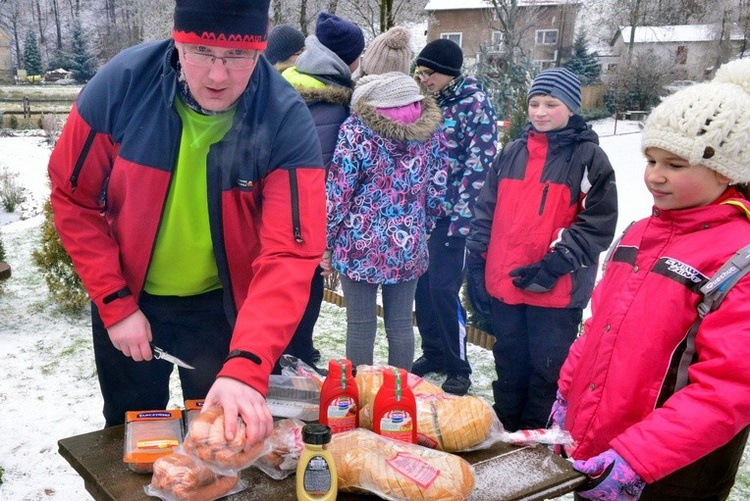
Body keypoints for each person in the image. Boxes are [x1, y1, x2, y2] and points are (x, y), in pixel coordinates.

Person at [47, 0, 326, 447]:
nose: (218, 76)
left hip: (224, 309)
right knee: (130, 439)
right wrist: (115, 303)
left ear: (261, 49)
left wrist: (248, 363)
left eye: (238, 56)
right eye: (200, 50)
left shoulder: (284, 117)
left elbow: (290, 251)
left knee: (224, 440)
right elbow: (72, 196)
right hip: (128, 299)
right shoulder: (121, 87)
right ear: (177, 39)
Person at [550, 58, 750, 501]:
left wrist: (638, 458)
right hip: (600, 453)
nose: (654, 175)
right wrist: (567, 394)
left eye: (675, 164)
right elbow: (598, 326)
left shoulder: (740, 256)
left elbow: (729, 386)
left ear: (728, 171)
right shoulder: (640, 233)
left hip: (675, 473)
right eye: (651, 159)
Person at [466, 67, 618, 430]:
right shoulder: (512, 152)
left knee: (547, 368)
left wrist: (555, 263)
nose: (539, 111)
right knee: (509, 361)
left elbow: (599, 221)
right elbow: (486, 208)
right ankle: (506, 430)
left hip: (555, 289)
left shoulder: (588, 158)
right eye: (534, 103)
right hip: (507, 284)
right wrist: (476, 261)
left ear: (570, 107)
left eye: (551, 103)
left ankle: (535, 436)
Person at [322, 71, 448, 371]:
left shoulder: (357, 129)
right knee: (402, 324)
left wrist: (327, 241)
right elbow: (437, 188)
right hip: (409, 244)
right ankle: (400, 397)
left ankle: (361, 395)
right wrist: (422, 228)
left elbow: (338, 192)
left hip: (358, 243)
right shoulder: (431, 131)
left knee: (361, 324)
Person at [277, 12, 365, 372]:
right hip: (308, 213)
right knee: (306, 289)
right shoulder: (335, 99)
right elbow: (331, 168)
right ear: (349, 58)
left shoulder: (286, 81)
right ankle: (294, 357)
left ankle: (294, 351)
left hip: (275, 205)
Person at [411, 38, 498, 395]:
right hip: (424, 214)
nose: (422, 78)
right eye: (419, 72)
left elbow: (480, 169)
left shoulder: (474, 104)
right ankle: (433, 352)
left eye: (428, 73)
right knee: (422, 288)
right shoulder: (428, 103)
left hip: (454, 218)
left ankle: (458, 364)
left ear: (447, 73)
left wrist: (463, 223)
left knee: (444, 290)